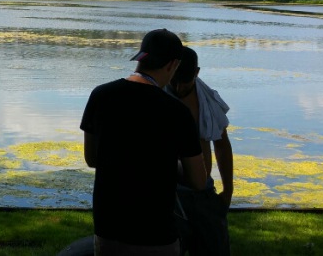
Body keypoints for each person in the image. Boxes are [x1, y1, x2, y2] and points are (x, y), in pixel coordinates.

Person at [81, 28, 205, 255]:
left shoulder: (100, 95)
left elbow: (92, 159)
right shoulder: (177, 112)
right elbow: (198, 180)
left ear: (141, 57)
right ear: (173, 65)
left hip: (109, 228)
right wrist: (170, 165)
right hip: (157, 234)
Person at [166, 46, 232, 256]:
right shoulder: (157, 97)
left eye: (184, 81)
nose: (178, 87)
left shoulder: (208, 101)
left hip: (203, 189)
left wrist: (228, 190)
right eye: (174, 80)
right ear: (170, 69)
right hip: (167, 189)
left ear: (196, 73)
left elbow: (221, 145)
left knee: (215, 248)